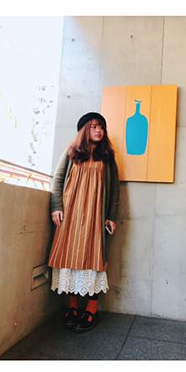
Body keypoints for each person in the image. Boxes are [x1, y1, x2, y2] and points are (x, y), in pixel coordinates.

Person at [47, 112, 120, 332]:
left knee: (94, 258)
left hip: (95, 216)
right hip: (70, 214)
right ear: (85, 130)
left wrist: (111, 216)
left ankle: (91, 309)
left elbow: (115, 190)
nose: (99, 130)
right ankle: (72, 306)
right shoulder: (71, 153)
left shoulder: (107, 158)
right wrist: (56, 207)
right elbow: (57, 180)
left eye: (102, 127)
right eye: (94, 126)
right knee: (68, 257)